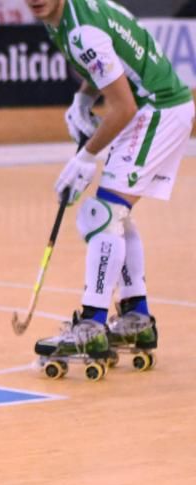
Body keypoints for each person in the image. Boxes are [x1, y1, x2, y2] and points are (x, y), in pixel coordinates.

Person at [28, 0, 194, 373]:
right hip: (161, 107)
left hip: (158, 109)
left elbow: (123, 108)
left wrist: (85, 158)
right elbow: (109, 63)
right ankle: (136, 316)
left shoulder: (80, 30)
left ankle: (92, 324)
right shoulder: (66, 14)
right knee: (112, 215)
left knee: (101, 215)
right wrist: (85, 97)